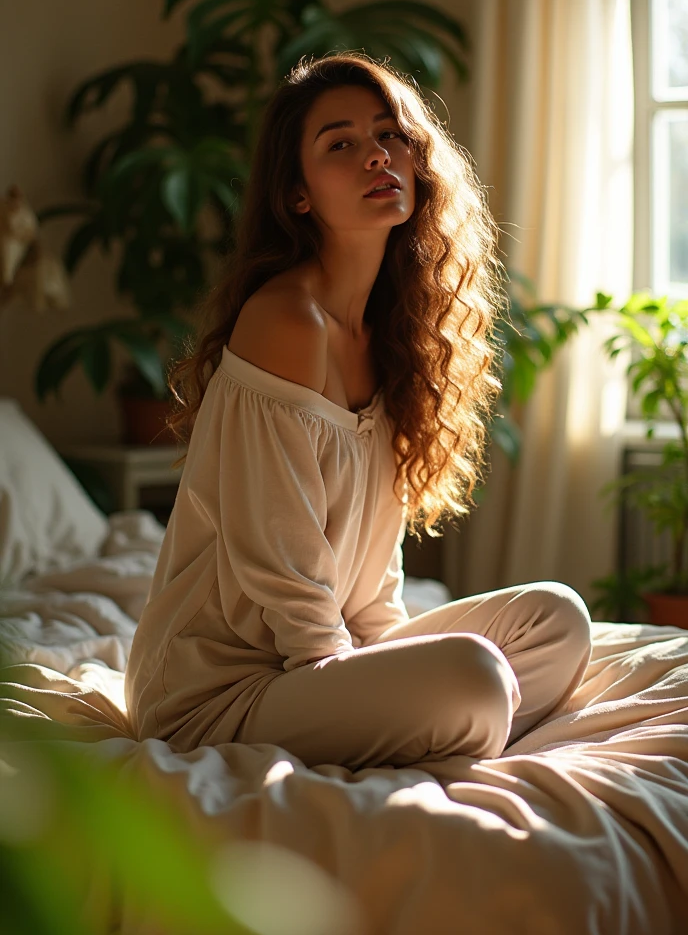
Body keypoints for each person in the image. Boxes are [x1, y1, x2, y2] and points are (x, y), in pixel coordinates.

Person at [124, 52, 592, 771]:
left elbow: (372, 575)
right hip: (221, 688)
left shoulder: (393, 335)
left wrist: (385, 669)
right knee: (475, 678)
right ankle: (450, 720)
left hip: (324, 659)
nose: (376, 155)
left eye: (389, 134)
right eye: (339, 144)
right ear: (299, 194)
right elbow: (273, 554)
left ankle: (445, 722)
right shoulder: (287, 320)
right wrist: (350, 679)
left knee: (556, 621)